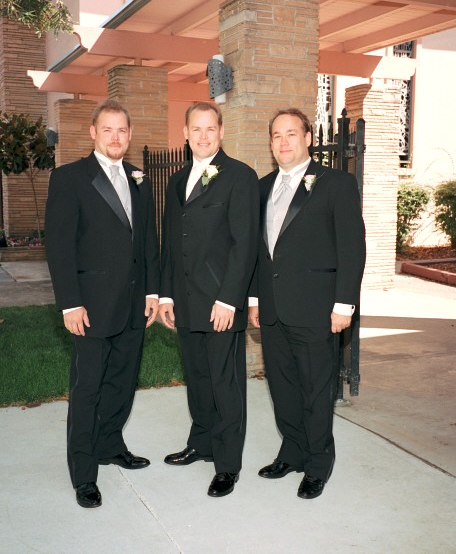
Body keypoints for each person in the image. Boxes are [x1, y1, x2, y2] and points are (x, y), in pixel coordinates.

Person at [45, 99, 160, 509]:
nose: (115, 137)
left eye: (122, 130)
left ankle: (111, 444)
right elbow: (59, 246)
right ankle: (83, 473)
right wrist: (70, 303)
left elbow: (147, 239)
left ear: (130, 135)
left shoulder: (139, 178)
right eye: (107, 129)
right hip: (90, 306)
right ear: (93, 132)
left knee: (122, 382)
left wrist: (152, 292)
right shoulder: (70, 178)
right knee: (88, 389)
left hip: (133, 305)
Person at [248, 108, 366, 499]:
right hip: (273, 310)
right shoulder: (262, 188)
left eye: (291, 134)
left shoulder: (336, 184)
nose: (283, 142)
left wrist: (344, 305)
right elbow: (258, 252)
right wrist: (254, 299)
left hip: (317, 310)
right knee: (282, 388)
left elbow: (352, 248)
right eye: (276, 135)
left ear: (308, 138)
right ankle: (292, 451)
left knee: (316, 391)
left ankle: (318, 463)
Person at [158, 101, 259, 497]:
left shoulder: (240, 176)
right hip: (185, 301)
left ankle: (227, 464)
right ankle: (201, 443)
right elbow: (170, 242)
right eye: (196, 129)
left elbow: (244, 244)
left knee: (224, 383)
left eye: (210, 128)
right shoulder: (176, 180)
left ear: (221, 132)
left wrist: (229, 299)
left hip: (220, 303)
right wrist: (166, 295)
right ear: (185, 133)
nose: (203, 136)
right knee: (198, 378)